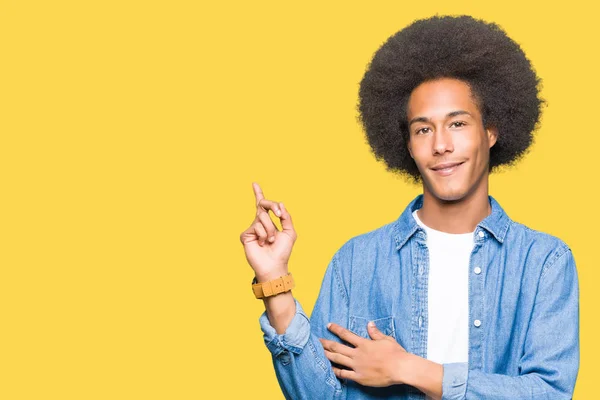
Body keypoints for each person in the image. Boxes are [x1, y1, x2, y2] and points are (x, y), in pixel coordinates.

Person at [239, 15, 579, 400]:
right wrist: (275, 284)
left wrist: (407, 368)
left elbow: (549, 392)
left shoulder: (544, 262)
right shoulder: (357, 261)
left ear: (490, 132)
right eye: (423, 129)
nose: (440, 145)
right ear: (407, 145)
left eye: (457, 124)